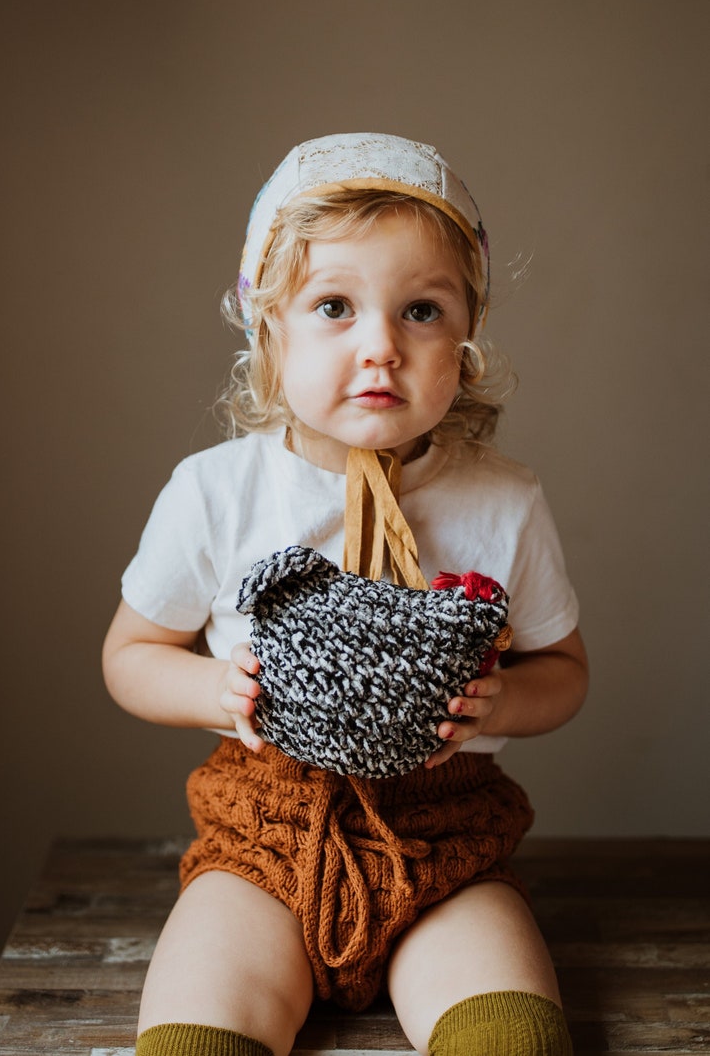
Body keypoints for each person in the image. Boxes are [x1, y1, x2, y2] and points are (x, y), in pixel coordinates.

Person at [102, 132, 589, 1056]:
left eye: (420, 310)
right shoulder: (217, 490)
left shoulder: (505, 499)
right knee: (195, 1033)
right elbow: (127, 656)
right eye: (334, 306)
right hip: (265, 836)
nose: (380, 348)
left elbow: (566, 668)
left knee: (514, 1034)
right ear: (269, 330)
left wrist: (508, 699)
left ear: (467, 339)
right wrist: (214, 689)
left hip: (445, 840)